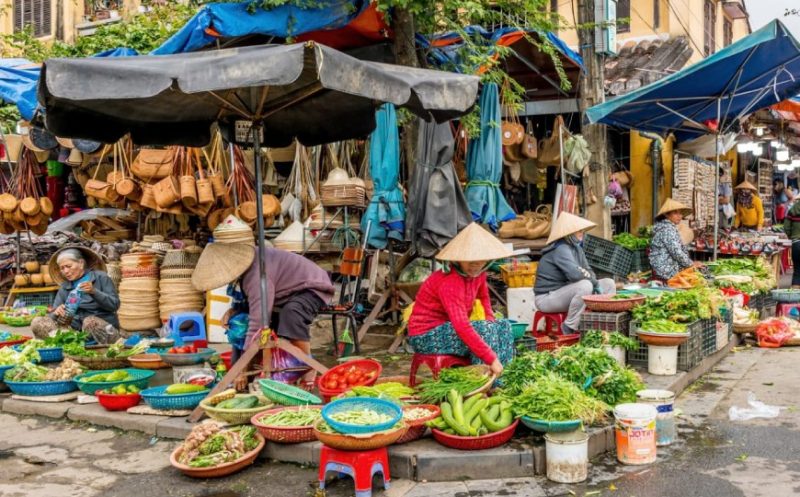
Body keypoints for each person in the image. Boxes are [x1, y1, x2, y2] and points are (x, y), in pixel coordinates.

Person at [192, 215, 334, 390]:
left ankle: (308, 369)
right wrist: (232, 312)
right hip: (285, 291)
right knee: (238, 322)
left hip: (312, 286)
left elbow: (258, 323)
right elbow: (247, 303)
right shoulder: (242, 272)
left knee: (291, 314)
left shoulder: (257, 274)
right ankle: (241, 376)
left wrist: (242, 370)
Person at [407, 223, 514, 376]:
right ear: (459, 259)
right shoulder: (451, 281)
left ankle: (504, 378)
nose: (476, 265)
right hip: (425, 336)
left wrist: (490, 320)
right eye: (470, 261)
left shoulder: (479, 274)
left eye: (481, 261)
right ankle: (484, 382)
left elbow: (483, 297)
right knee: (483, 330)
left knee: (503, 326)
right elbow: (462, 325)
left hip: (448, 328)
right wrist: (491, 359)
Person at [534, 212, 615, 334]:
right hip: (547, 298)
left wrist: (591, 279)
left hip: (565, 293)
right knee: (585, 285)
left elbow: (588, 270)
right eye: (578, 231)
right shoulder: (561, 249)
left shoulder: (577, 249)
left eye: (582, 231)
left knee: (609, 283)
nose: (582, 233)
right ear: (569, 234)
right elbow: (575, 275)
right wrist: (592, 281)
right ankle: (569, 326)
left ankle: (603, 323)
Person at [31, 246, 120, 343]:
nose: (65, 271)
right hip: (75, 332)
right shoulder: (65, 287)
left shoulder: (100, 277)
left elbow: (114, 305)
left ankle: (110, 341)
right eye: (62, 268)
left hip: (101, 327)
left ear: (81, 263)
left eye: (68, 266)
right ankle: (67, 345)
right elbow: (53, 315)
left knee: (90, 322)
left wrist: (94, 292)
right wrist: (56, 312)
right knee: (38, 322)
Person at [649, 199, 700, 281]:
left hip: (666, 267)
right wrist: (691, 264)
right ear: (666, 214)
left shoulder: (667, 227)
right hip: (665, 270)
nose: (680, 216)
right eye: (676, 213)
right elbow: (676, 252)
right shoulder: (667, 229)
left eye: (680, 213)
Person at [783, 200, 800, 288]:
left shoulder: (792, 209)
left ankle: (795, 299)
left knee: (797, 270)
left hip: (796, 243)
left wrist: (791, 236)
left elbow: (786, 227)